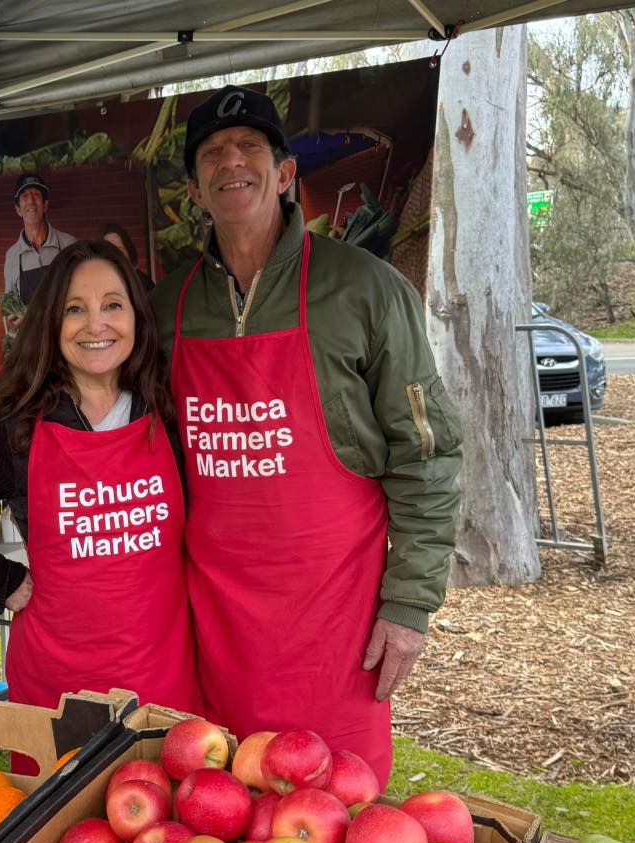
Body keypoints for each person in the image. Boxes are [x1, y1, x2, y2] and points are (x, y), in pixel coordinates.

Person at [153, 86, 463, 787]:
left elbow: (429, 455)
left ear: (286, 174)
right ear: (197, 189)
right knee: (218, 811)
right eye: (212, 155)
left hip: (336, 622)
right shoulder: (166, 305)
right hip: (215, 624)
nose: (232, 162)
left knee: (335, 823)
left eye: (250, 148)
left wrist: (410, 605)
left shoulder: (367, 290)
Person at [0, 240, 200, 714]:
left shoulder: (167, 412)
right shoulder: (20, 428)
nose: (96, 324)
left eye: (113, 305)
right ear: (52, 324)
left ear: (137, 317)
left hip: (161, 677)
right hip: (60, 685)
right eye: (75, 309)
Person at [3, 173, 76, 307]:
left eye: (36, 194)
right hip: (31, 328)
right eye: (24, 196)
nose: (30, 200)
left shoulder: (69, 244)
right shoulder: (12, 256)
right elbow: (10, 309)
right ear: (18, 209)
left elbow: (81, 292)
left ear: (45, 206)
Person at [99, 221, 155, 291]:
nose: (115, 254)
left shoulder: (143, 284)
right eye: (109, 249)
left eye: (120, 249)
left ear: (129, 251)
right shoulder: (95, 283)